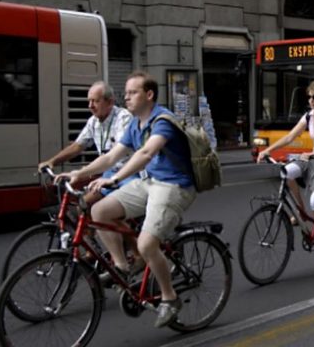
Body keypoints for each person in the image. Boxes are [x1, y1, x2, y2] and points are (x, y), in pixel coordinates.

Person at [57, 71, 197, 328]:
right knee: (99, 212)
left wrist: (114, 179)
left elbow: (145, 153)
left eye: (132, 92)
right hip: (150, 182)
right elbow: (111, 157)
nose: (127, 98)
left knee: (146, 244)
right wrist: (79, 172)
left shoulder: (162, 120)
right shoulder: (135, 123)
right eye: (127, 93)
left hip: (173, 186)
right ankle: (121, 265)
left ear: (149, 94)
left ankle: (170, 297)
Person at [257, 80, 314, 266]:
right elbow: (290, 136)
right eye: (309, 97)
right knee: (286, 172)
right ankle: (301, 212)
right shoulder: (309, 116)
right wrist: (267, 150)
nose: (311, 101)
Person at [38, 81, 134, 204]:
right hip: (109, 172)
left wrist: (80, 173)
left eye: (95, 101)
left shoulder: (123, 118)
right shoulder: (93, 121)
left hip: (127, 173)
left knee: (101, 209)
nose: (90, 105)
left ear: (110, 102)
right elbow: (77, 146)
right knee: (84, 205)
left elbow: (113, 155)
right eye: (89, 101)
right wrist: (52, 161)